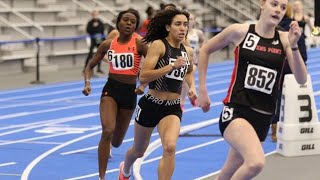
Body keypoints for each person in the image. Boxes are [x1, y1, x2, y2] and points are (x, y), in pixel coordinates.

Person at [197, 0, 308, 179]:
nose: (278, 10)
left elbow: (301, 78)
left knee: (227, 172)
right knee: (256, 163)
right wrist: (202, 89)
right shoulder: (239, 31)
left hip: (264, 117)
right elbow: (205, 50)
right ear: (262, 4)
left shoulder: (285, 39)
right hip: (237, 111)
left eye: (282, 7)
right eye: (274, 4)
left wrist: (294, 46)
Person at [118, 8, 196, 180]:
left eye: (185, 25)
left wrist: (192, 87)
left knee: (170, 148)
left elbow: (189, 71)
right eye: (178, 24)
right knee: (138, 151)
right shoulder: (159, 45)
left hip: (172, 108)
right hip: (151, 104)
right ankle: (125, 169)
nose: (183, 28)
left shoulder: (188, 51)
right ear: (168, 27)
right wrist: (171, 66)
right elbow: (144, 76)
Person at [82, 9, 148, 180]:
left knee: (117, 142)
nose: (128, 23)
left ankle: (119, 164)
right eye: (125, 20)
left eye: (132, 22)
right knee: (107, 130)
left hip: (129, 93)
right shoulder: (108, 44)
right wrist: (87, 83)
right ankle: (101, 177)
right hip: (110, 90)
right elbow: (89, 66)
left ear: (135, 26)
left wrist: (143, 84)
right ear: (118, 23)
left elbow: (152, 66)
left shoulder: (140, 44)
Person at [270, 0, 314, 142]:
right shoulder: (286, 20)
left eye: (298, 5)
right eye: (294, 5)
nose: (296, 7)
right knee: (279, 93)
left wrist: (314, 31)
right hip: (288, 53)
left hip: (299, 48)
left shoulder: (304, 18)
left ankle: (296, 124)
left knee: (296, 90)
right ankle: (275, 127)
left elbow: (315, 29)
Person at [180, 13, 206, 111]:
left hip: (194, 61)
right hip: (182, 60)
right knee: (184, 81)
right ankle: (191, 94)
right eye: (188, 19)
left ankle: (182, 102)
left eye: (191, 19)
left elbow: (203, 41)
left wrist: (201, 49)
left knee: (184, 80)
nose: (189, 21)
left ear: (195, 21)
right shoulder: (181, 32)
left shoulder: (198, 33)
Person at [83, 10, 106, 74]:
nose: (95, 15)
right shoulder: (90, 22)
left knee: (100, 53)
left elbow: (102, 31)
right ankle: (85, 68)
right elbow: (88, 30)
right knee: (90, 53)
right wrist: (94, 27)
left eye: (96, 14)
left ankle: (98, 68)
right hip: (92, 39)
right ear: (92, 15)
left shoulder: (100, 22)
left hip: (99, 39)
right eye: (94, 14)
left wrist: (103, 40)